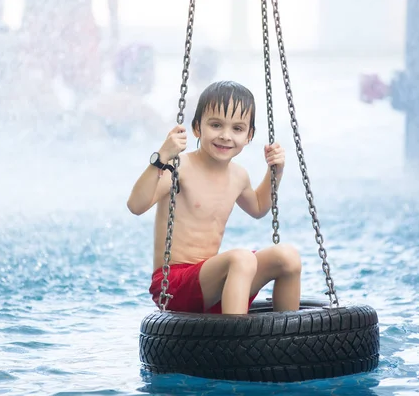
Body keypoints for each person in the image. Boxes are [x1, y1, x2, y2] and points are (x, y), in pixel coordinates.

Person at [127, 81, 302, 315]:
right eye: (216, 125)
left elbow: (259, 207)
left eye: (237, 129)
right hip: (174, 286)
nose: (225, 136)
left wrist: (275, 171)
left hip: (213, 285)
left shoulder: (238, 176)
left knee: (287, 256)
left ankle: (289, 338)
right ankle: (235, 342)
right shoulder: (181, 167)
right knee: (241, 259)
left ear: (249, 135)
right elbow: (136, 206)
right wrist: (162, 158)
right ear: (197, 128)